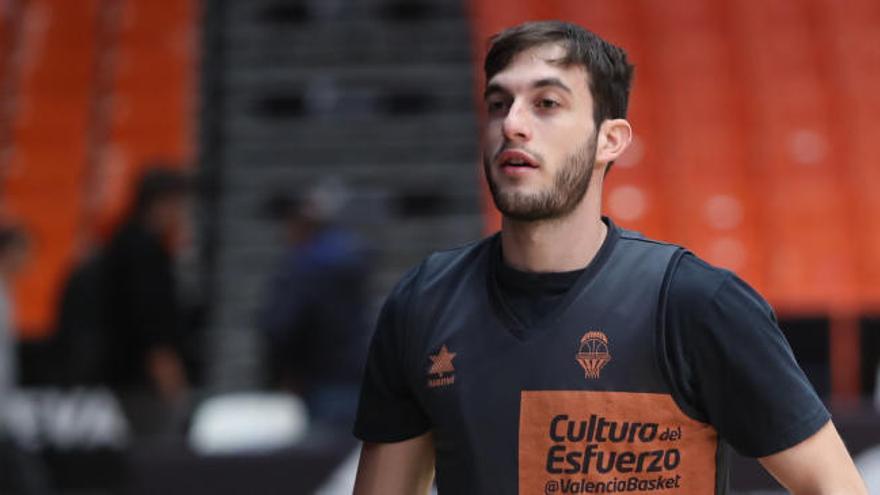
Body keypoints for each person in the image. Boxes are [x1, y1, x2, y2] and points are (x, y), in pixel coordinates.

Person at [352, 21, 866, 494]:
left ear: (610, 140)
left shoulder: (697, 304)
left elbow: (836, 486)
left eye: (547, 103)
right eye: (498, 103)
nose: (513, 124)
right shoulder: (422, 302)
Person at [259, 179, 372, 427]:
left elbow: (282, 326)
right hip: (355, 375)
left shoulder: (302, 267)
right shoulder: (350, 257)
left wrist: (280, 373)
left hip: (320, 381)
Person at [101, 168, 194, 409]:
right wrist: (164, 365)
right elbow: (149, 313)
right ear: (160, 202)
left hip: (131, 373)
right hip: (142, 378)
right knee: (156, 441)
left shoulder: (131, 241)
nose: (181, 213)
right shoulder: (142, 250)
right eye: (178, 204)